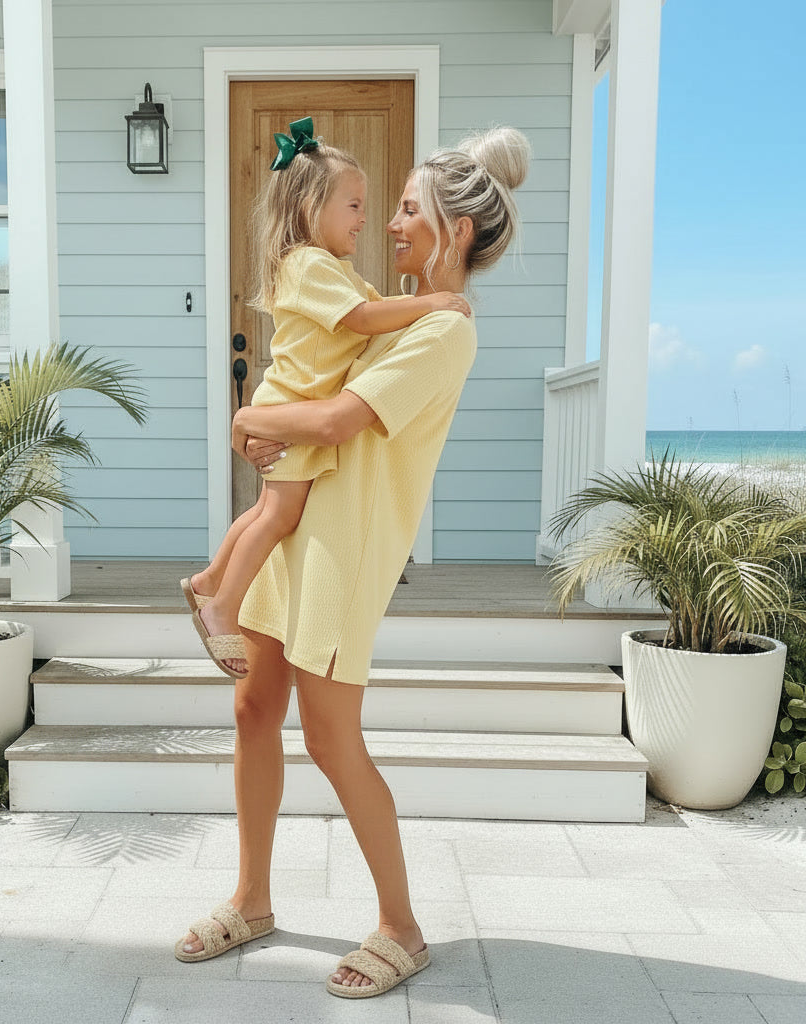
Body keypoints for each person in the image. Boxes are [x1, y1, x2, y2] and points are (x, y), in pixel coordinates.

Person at [175, 125, 531, 997]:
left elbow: (335, 421)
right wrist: (270, 421)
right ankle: (252, 899)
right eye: (389, 208)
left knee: (333, 742)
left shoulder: (444, 331)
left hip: (343, 551)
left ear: (459, 231)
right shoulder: (380, 303)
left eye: (408, 210)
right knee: (254, 709)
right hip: (292, 535)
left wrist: (247, 423)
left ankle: (402, 928)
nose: (392, 225)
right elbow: (316, 381)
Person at [183, 116, 470, 678]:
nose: (370, 219)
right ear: (313, 209)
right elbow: (366, 319)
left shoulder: (327, 268)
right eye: (355, 206)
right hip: (296, 407)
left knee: (268, 508)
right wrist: (432, 303)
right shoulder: (309, 264)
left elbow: (372, 313)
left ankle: (209, 581)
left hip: (292, 404)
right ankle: (220, 607)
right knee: (278, 513)